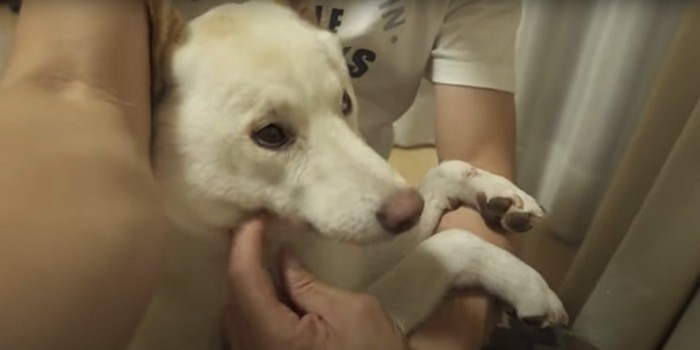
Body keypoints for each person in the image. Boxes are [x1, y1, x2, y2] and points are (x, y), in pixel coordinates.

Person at [0, 1, 521, 350]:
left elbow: (484, 157)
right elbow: (68, 89)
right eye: (272, 133)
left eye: (346, 102)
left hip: (327, 226)